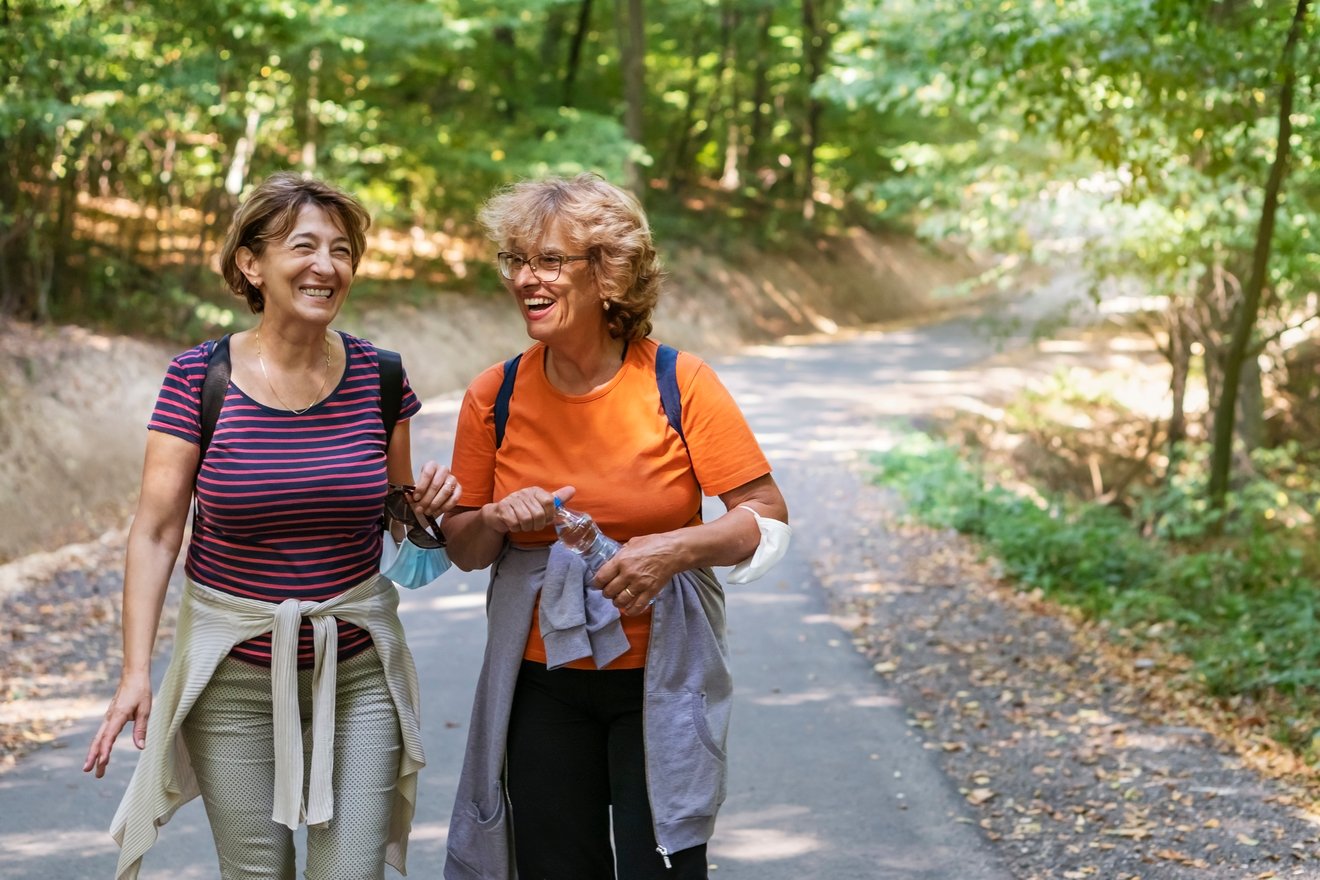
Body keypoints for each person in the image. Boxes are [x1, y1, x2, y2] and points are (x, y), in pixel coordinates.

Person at [82, 172, 462, 880]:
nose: (327, 265)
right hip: (233, 679)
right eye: (304, 246)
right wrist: (136, 672)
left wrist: (426, 513)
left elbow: (400, 522)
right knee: (257, 873)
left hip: (358, 674)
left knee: (350, 871)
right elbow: (158, 530)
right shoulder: (200, 378)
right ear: (251, 264)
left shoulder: (380, 377)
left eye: (342, 250)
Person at [441, 173, 789, 880]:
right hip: (541, 683)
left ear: (608, 272)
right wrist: (496, 518)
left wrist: (677, 548)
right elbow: (465, 548)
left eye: (548, 261)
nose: (525, 280)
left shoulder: (678, 382)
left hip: (661, 680)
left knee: (664, 867)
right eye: (515, 261)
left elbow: (767, 516)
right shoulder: (494, 394)